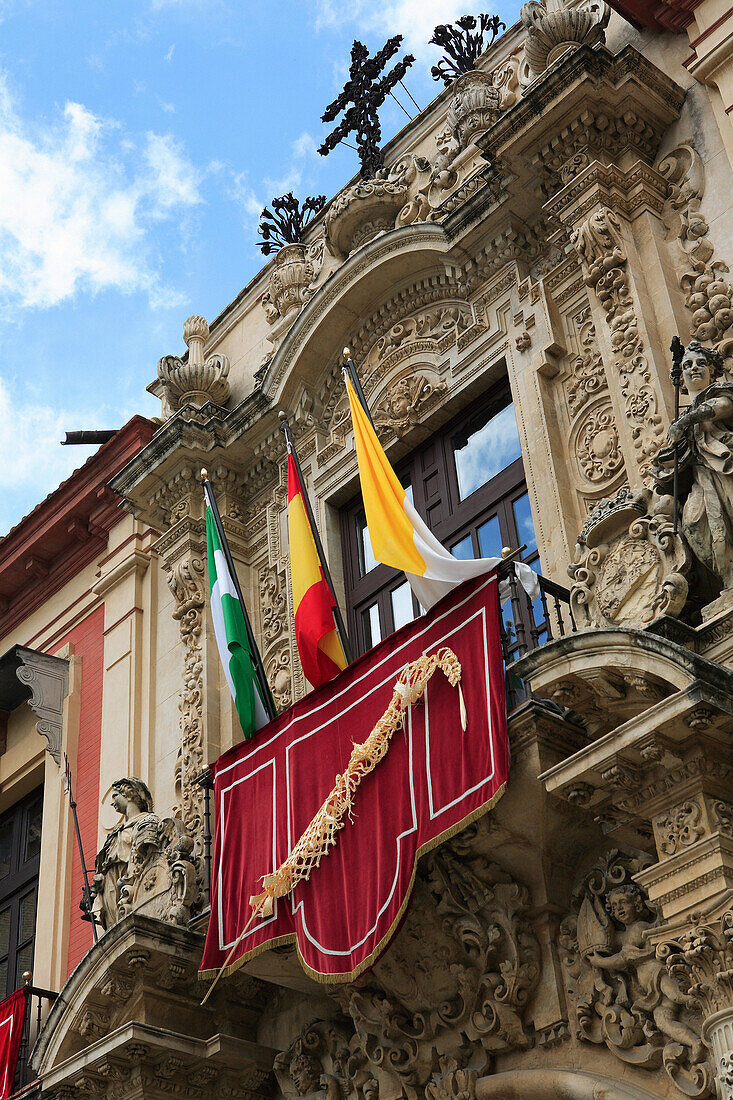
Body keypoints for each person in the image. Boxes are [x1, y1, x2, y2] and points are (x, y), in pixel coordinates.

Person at [654, 341, 733, 589]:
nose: (694, 368)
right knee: (693, 523)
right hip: (702, 478)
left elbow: (722, 407)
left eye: (701, 363)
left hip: (725, 467)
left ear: (712, 370)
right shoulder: (683, 418)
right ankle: (728, 579)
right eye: (687, 365)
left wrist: (684, 422)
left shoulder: (719, 393)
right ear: (681, 376)